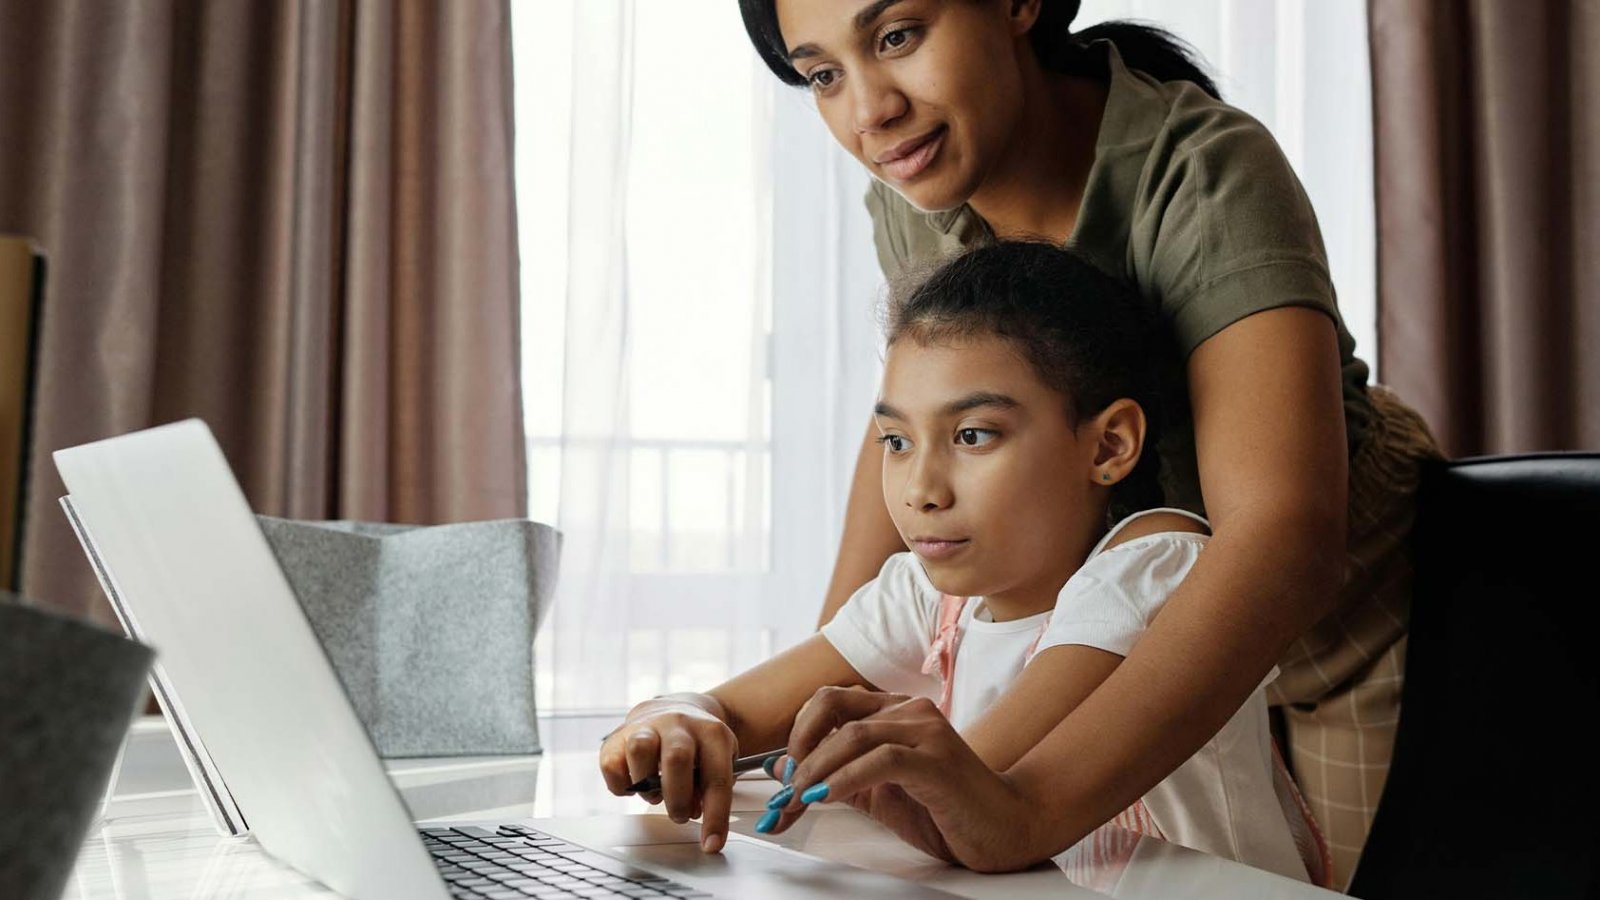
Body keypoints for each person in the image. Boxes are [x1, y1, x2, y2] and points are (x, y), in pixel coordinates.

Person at [736, 0, 1442, 885]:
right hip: (1117, 622)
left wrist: (1025, 809)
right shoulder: (916, 184)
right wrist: (828, 704)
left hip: (1334, 623)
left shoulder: (1204, 170)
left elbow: (1282, 536)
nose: (870, 110)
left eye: (898, 37)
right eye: (823, 75)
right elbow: (916, 419)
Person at [600, 242, 1329, 882]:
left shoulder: (1156, 566)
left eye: (975, 435)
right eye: (897, 441)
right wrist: (675, 719)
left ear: (1108, 446)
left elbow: (975, 793)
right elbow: (731, 709)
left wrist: (836, 763)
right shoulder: (932, 595)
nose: (920, 489)